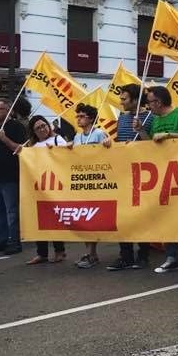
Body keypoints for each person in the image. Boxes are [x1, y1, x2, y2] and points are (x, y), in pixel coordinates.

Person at [133, 86, 178, 274]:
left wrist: (169, 135)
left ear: (159, 102)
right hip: (164, 175)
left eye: (150, 102)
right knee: (168, 216)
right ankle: (172, 257)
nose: (148, 106)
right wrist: (142, 132)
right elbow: (152, 145)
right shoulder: (155, 120)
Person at [104, 83, 155, 271]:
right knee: (121, 216)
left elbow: (152, 145)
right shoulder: (122, 117)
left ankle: (143, 255)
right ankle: (125, 256)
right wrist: (110, 143)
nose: (121, 102)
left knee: (141, 217)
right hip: (123, 173)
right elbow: (119, 141)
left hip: (143, 174)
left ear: (135, 100)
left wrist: (141, 130)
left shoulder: (150, 117)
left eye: (124, 98)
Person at [0, 98, 28, 255]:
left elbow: (21, 150)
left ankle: (14, 241)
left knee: (12, 211)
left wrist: (4, 139)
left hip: (9, 178)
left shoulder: (17, 127)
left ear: (8, 111)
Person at [67, 103, 109, 269]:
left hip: (97, 181)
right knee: (85, 218)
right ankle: (90, 253)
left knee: (93, 218)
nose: (78, 118)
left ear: (91, 118)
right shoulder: (78, 137)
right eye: (77, 116)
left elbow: (108, 150)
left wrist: (107, 143)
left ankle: (92, 253)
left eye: (82, 116)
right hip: (83, 182)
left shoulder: (98, 133)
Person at [23, 116, 69, 264]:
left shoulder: (57, 140)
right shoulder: (32, 146)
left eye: (44, 125)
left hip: (55, 185)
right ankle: (41, 253)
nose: (42, 129)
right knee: (39, 220)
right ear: (33, 131)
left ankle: (60, 251)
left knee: (54, 219)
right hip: (38, 186)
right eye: (38, 128)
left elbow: (67, 156)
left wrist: (55, 151)